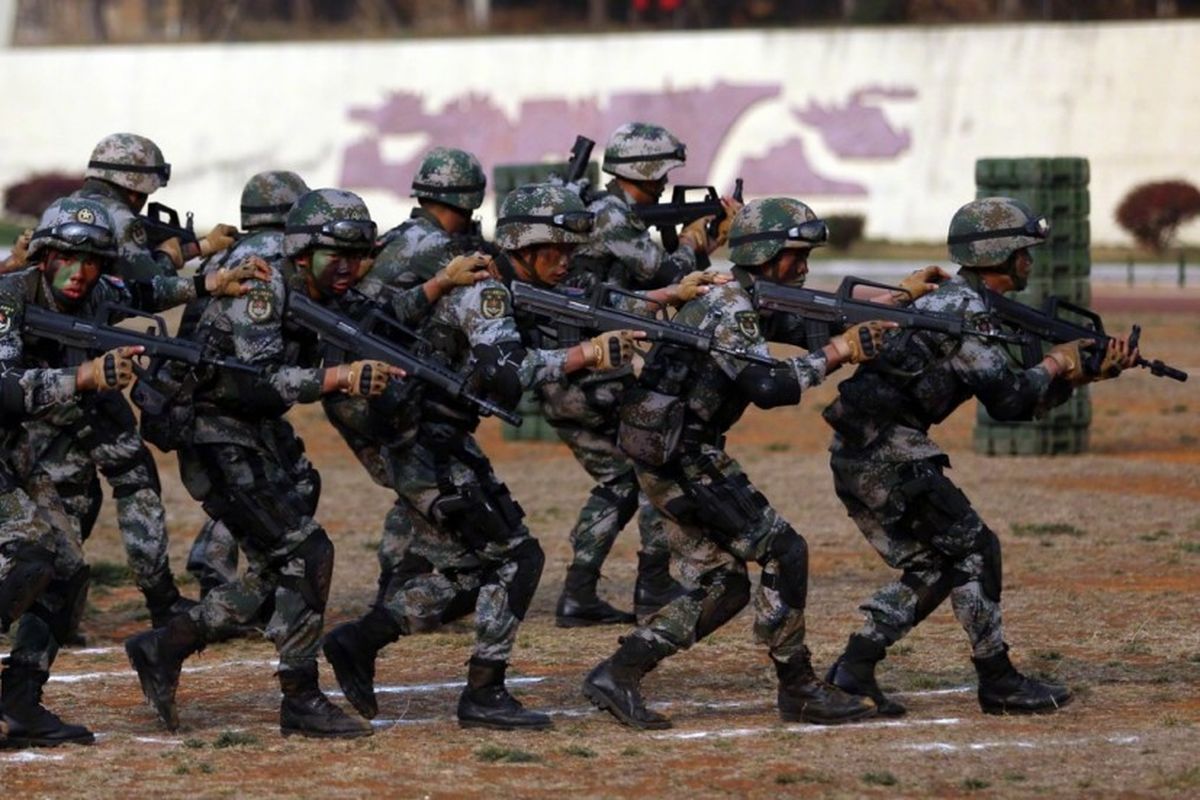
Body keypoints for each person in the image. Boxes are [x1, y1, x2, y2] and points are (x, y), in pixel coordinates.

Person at [322, 182, 643, 731]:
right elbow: (510, 371)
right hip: (424, 443)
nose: (567, 260)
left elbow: (582, 312)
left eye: (571, 250)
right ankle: (482, 691)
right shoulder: (487, 293)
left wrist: (665, 299)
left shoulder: (508, 283)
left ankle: (362, 640)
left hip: (438, 440)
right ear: (523, 245)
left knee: (481, 567)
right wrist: (586, 355)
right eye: (556, 249)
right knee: (517, 557)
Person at [582, 197, 897, 730]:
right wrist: (841, 354)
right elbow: (769, 386)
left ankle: (618, 672)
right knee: (784, 548)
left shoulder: (745, 298)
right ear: (767, 253)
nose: (803, 266)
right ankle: (797, 687)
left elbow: (808, 325)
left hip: (669, 450)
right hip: (682, 454)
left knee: (725, 587)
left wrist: (897, 303)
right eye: (795, 255)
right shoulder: (730, 305)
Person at [821, 197, 1136, 717]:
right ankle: (998, 680)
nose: (1030, 263)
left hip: (869, 450)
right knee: (976, 549)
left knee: (935, 565)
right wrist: (1060, 365)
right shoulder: (962, 313)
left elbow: (1014, 391)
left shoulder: (963, 305)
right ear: (1002, 254)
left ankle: (855, 667)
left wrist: (1083, 373)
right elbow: (1009, 400)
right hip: (886, 453)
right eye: (1024, 252)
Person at [123, 188, 419, 739]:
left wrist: (441, 285)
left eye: (361, 256)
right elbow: (259, 376)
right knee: (307, 553)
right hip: (214, 430)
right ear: (304, 251)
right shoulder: (264, 284)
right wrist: (338, 377)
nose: (351, 268)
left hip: (255, 430)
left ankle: (165, 645)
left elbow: (381, 314)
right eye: (338, 255)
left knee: (281, 563)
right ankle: (300, 697)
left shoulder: (325, 286)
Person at [0, 195, 254, 747]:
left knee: (64, 573)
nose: (80, 272)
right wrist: (83, 377)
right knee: (23, 560)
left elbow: (143, 292)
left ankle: (18, 701)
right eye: (68, 258)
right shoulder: (8, 299)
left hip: (27, 456)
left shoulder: (97, 294)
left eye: (92, 262)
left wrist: (207, 285)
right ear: (43, 255)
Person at [548, 121, 741, 626]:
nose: (666, 180)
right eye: (663, 171)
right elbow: (665, 276)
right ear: (649, 170)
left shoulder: (603, 210)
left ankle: (580, 594)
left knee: (619, 482)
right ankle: (653, 584)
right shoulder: (611, 215)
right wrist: (698, 243)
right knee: (658, 457)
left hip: (580, 367)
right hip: (591, 373)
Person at [183, 170, 311, 609]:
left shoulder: (228, 256)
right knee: (272, 491)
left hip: (205, 395)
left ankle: (219, 566)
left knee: (288, 478)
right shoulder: (276, 258)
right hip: (229, 400)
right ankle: (230, 588)